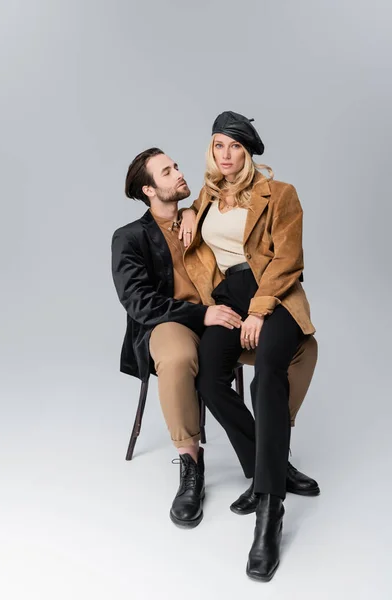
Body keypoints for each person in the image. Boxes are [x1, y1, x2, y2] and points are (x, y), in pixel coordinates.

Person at [111, 146, 318, 534]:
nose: (178, 173)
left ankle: (269, 456)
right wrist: (200, 314)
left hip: (222, 312)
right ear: (149, 191)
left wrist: (190, 212)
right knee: (177, 359)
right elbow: (139, 301)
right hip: (170, 320)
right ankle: (191, 465)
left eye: (176, 166)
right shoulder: (130, 237)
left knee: (303, 348)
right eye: (167, 172)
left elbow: (231, 220)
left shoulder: (201, 211)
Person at [180, 111, 318, 581]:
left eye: (235, 147)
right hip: (229, 297)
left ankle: (269, 510)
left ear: (250, 152)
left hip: (274, 294)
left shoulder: (280, 194)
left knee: (265, 378)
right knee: (209, 378)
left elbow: (289, 258)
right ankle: (271, 464)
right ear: (211, 152)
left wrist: (260, 309)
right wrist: (186, 214)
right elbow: (198, 243)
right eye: (219, 146)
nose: (226, 155)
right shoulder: (205, 198)